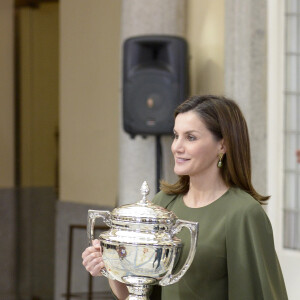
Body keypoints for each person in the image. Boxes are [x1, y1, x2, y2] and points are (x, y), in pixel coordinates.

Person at [82, 95, 288, 300]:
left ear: (222, 146)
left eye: (190, 137)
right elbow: (135, 294)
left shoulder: (243, 213)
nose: (176, 147)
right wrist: (108, 265)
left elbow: (258, 293)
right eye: (176, 135)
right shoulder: (163, 204)